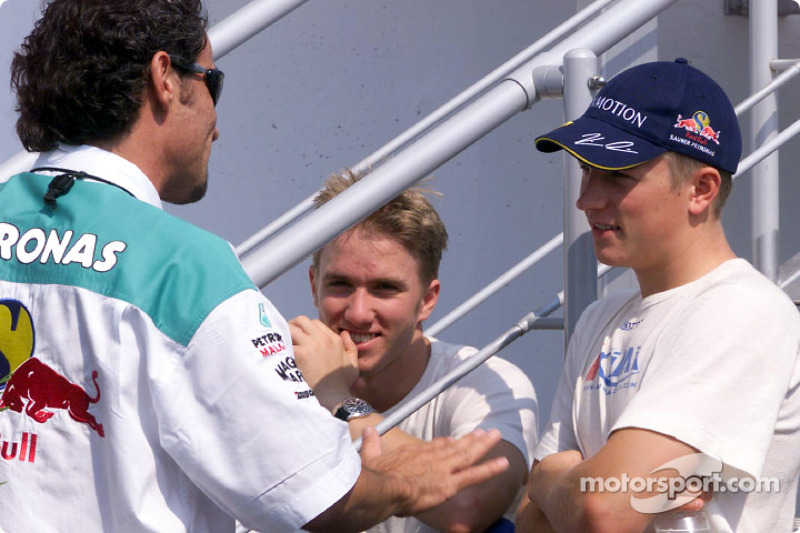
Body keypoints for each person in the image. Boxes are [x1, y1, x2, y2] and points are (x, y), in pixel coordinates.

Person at [0, 1, 510, 532]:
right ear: (165, 79)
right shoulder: (186, 271)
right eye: (213, 83)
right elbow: (317, 496)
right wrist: (408, 485)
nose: (217, 126)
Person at [515, 58, 800, 533]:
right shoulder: (598, 319)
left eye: (616, 175)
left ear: (701, 189)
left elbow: (602, 513)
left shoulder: (743, 311)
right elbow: (531, 523)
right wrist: (566, 489)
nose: (587, 199)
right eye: (586, 171)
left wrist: (550, 480)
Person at [289, 171, 539, 533]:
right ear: (314, 286)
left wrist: (338, 400)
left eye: (384, 288)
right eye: (340, 284)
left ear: (428, 299)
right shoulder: (272, 377)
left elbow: (468, 506)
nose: (358, 312)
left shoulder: (483, 382)